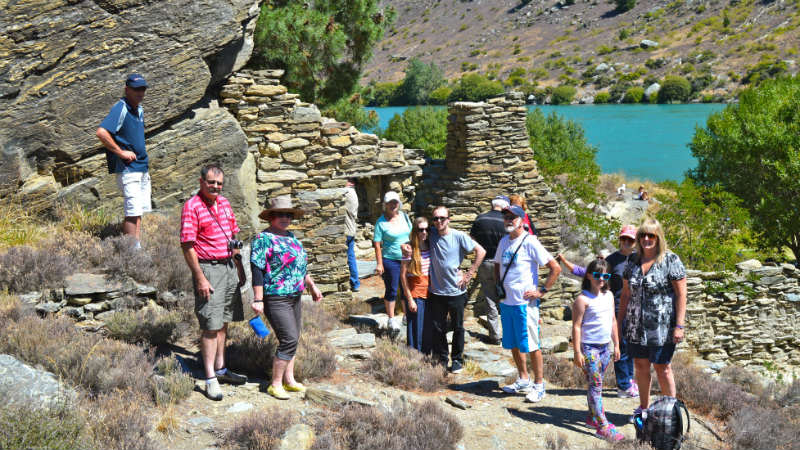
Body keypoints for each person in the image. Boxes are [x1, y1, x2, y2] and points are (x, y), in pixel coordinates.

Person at [180, 165, 247, 401]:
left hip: (228, 266)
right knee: (210, 324)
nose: (215, 187)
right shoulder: (192, 207)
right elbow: (188, 245)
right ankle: (210, 378)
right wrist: (200, 277)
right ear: (201, 182)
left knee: (224, 320)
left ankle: (221, 369)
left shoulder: (225, 203)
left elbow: (233, 237)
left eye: (219, 183)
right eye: (211, 183)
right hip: (208, 268)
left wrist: (239, 266)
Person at [250, 195, 324, 400]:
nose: (285, 218)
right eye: (280, 214)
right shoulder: (262, 239)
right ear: (271, 216)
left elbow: (300, 267)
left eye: (288, 215)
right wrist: (258, 299)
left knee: (292, 338)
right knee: (289, 338)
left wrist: (312, 286)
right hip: (276, 296)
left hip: (295, 295)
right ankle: (275, 384)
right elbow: (257, 269)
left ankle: (289, 380)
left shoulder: (292, 237)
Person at [556, 224, 640, 398]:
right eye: (623, 238)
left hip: (636, 309)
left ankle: (629, 380)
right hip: (617, 307)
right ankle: (623, 385)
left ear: (635, 242)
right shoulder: (610, 260)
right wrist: (564, 262)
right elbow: (589, 273)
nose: (626, 242)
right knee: (622, 347)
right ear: (619, 239)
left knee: (631, 346)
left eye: (630, 240)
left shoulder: (639, 259)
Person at [618, 219, 687, 420]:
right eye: (643, 235)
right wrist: (619, 322)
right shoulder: (632, 261)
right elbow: (625, 294)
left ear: (658, 238)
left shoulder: (670, 260)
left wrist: (679, 325)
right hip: (635, 326)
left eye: (651, 235)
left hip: (662, 327)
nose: (646, 239)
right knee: (640, 366)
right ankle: (644, 408)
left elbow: (681, 294)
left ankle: (670, 413)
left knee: (662, 367)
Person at [497, 204, 561, 402]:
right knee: (513, 342)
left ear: (522, 221)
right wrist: (499, 286)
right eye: (506, 217)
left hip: (525, 304)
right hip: (507, 302)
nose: (508, 220)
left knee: (532, 344)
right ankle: (523, 378)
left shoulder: (530, 242)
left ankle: (539, 385)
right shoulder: (503, 242)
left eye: (512, 217)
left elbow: (555, 268)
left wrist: (541, 291)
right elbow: (497, 264)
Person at [426, 206, 486, 373]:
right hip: (436, 291)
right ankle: (443, 358)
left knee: (458, 327)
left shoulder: (458, 236)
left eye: (442, 218)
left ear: (449, 219)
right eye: (436, 218)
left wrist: (470, 273)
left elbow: (481, 251)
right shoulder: (430, 234)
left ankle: (457, 360)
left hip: (456, 291)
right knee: (438, 328)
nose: (439, 221)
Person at [96, 74, 152, 248]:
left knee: (139, 211)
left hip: (141, 167)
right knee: (132, 211)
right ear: (127, 90)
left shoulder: (139, 109)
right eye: (136, 89)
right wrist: (121, 152)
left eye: (142, 89)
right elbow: (102, 132)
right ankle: (130, 253)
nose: (140, 93)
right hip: (128, 169)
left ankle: (137, 247)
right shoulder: (121, 108)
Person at [572, 259, 624, 442]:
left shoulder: (609, 295)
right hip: (589, 348)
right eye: (597, 275)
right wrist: (577, 352)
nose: (601, 278)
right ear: (588, 275)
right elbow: (577, 326)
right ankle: (602, 426)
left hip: (605, 348)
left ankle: (591, 417)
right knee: (596, 385)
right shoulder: (582, 299)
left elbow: (613, 321)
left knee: (596, 384)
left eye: (605, 275)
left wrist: (616, 344)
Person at [469, 195, 511, 344]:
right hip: (504, 264)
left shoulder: (480, 219)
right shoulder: (506, 221)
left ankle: (495, 335)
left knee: (490, 299)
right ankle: (509, 333)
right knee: (507, 298)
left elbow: (471, 240)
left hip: (485, 262)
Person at [373, 191, 412, 331]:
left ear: (399, 203)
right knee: (392, 289)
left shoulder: (405, 217)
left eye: (395, 202)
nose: (393, 205)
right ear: (385, 204)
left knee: (406, 287)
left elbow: (412, 235)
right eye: (390, 202)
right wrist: (379, 263)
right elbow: (377, 244)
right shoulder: (381, 222)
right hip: (390, 259)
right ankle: (391, 319)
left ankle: (406, 315)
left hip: (407, 259)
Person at [400, 217, 431, 352]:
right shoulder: (410, 249)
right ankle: (414, 359)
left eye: (426, 229)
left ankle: (425, 357)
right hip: (416, 294)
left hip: (430, 294)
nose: (424, 232)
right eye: (420, 230)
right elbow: (403, 275)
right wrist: (410, 300)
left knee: (427, 329)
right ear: (415, 231)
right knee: (416, 330)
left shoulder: (431, 245)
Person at [344, 178, 360, 292]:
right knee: (351, 256)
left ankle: (354, 282)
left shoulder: (347, 192)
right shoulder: (353, 192)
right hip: (351, 229)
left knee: (349, 257)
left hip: (346, 229)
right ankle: (355, 283)